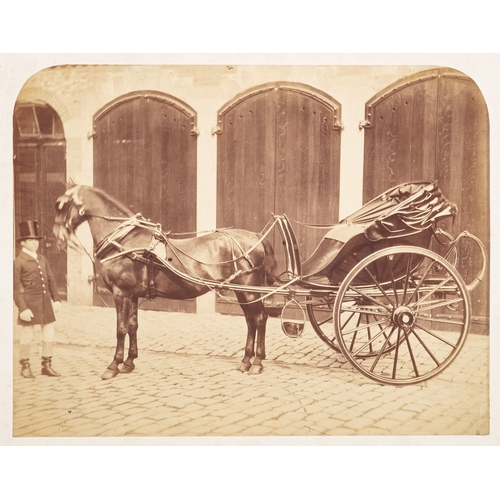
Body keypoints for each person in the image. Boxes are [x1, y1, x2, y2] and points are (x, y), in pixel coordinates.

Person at [14, 220, 62, 378]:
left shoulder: (42, 259)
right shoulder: (18, 262)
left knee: (49, 333)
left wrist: (56, 299)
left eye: (36, 240)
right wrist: (22, 308)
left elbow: (51, 281)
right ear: (23, 243)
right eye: (31, 240)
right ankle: (25, 366)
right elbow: (15, 289)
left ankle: (46, 365)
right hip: (29, 305)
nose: (34, 243)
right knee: (27, 334)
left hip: (45, 303)